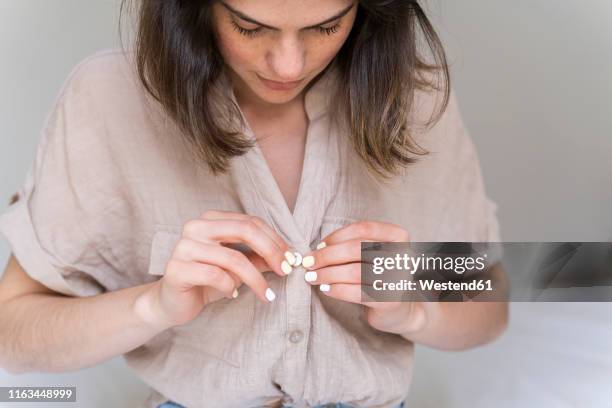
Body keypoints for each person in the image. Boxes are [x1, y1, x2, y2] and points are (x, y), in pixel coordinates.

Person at [0, 0, 509, 407]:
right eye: (249, 27)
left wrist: (413, 311)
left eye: (326, 26)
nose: (289, 63)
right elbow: (11, 334)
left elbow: (490, 302)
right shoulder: (108, 100)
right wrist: (153, 306)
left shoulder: (417, 101)